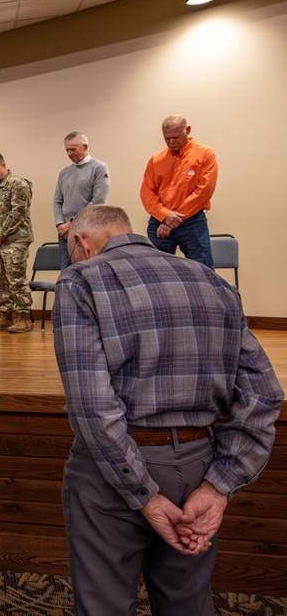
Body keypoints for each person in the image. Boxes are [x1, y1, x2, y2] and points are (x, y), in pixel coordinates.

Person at [53, 205, 283, 616]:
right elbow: (264, 395)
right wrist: (218, 486)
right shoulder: (212, 280)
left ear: (82, 242)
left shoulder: (81, 278)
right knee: (188, 603)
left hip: (113, 472)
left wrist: (145, 496)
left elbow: (92, 406)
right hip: (199, 465)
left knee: (103, 605)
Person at [140, 114, 218, 268]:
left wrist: (172, 220)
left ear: (187, 130)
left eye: (175, 137)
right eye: (167, 138)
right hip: (159, 222)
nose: (171, 142)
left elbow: (203, 192)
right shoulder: (156, 159)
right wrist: (165, 216)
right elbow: (147, 193)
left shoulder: (205, 154)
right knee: (156, 271)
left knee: (203, 270)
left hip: (192, 222)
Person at [0, 152, 34, 333]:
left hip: (16, 240)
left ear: (3, 166)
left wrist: (0, 235)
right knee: (0, 279)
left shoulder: (18, 184)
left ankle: (22, 318)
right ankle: (5, 315)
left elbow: (18, 213)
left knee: (16, 279)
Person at [52, 132, 110, 269]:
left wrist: (73, 223)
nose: (69, 153)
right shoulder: (64, 172)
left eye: (73, 149)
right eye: (67, 150)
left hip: (88, 231)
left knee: (88, 271)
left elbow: (98, 201)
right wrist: (61, 224)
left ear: (84, 147)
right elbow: (57, 201)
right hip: (65, 234)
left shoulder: (99, 168)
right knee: (66, 272)